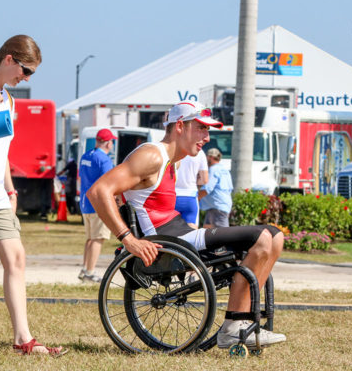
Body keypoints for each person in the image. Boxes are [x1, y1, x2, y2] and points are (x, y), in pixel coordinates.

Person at [86, 100, 286, 350]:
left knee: (275, 237)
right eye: (201, 128)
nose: (206, 137)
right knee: (266, 236)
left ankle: (239, 321)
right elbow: (98, 191)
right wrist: (129, 239)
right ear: (180, 126)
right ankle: (233, 326)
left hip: (182, 233)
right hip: (170, 240)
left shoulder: (173, 161)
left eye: (207, 130)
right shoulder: (151, 156)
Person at [0, 35, 66, 356]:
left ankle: (24, 340)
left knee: (16, 259)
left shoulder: (7, 98)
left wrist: (9, 188)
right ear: (8, 59)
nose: (28, 77)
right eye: (26, 70)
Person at [77, 128, 117, 283]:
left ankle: (85, 269)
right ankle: (90, 272)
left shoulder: (86, 156)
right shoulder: (105, 160)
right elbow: (108, 183)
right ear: (107, 143)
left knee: (90, 239)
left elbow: (81, 178)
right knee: (98, 238)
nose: (112, 144)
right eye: (111, 141)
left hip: (85, 203)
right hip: (98, 204)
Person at [199, 148, 233, 228]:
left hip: (217, 207)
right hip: (220, 206)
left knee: (222, 235)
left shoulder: (213, 169)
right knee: (207, 232)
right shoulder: (225, 170)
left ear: (210, 157)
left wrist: (195, 198)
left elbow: (207, 188)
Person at [175, 150, 208, 228]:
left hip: (171, 195)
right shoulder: (199, 152)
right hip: (190, 196)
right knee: (191, 231)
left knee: (168, 231)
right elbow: (204, 180)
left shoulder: (172, 149)